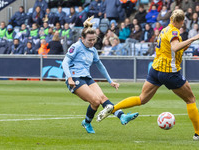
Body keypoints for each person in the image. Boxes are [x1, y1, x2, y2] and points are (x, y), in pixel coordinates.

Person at [97, 9, 199, 141]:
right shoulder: (174, 31)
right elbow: (175, 47)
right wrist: (194, 38)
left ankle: (113, 108)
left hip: (156, 70)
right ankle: (198, 133)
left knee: (142, 99)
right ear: (180, 21)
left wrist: (186, 43)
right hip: (169, 72)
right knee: (190, 99)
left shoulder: (164, 29)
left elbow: (173, 49)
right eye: (182, 22)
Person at [62, 17, 138, 134]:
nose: (92, 42)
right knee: (96, 101)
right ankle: (87, 123)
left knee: (102, 98)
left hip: (87, 78)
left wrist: (110, 81)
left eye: (94, 40)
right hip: (75, 78)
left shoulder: (93, 50)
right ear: (82, 39)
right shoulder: (76, 46)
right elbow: (65, 62)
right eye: (89, 40)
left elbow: (100, 66)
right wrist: (69, 78)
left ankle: (122, 116)